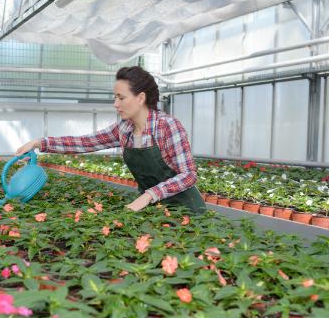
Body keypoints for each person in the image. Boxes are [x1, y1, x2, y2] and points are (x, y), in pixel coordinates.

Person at [15, 66, 206, 213]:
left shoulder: (167, 126)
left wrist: (149, 196)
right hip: (154, 209)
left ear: (140, 98)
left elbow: (188, 174)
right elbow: (85, 142)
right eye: (115, 97)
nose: (115, 104)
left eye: (121, 98)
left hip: (186, 210)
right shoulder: (124, 129)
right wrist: (39, 143)